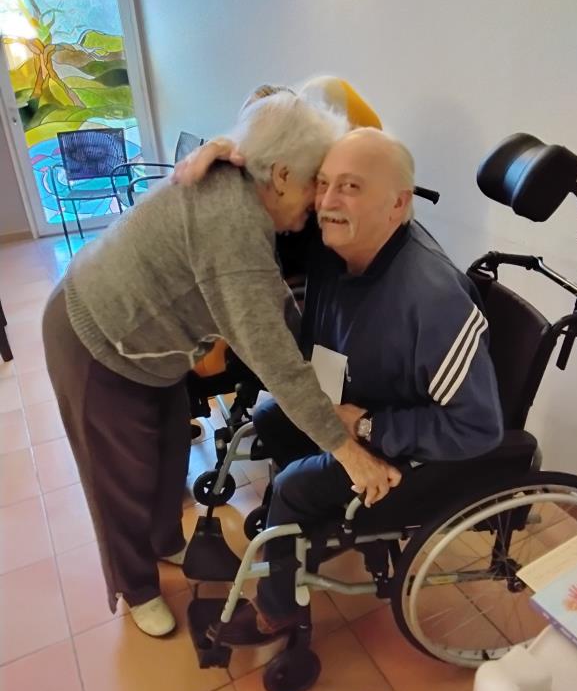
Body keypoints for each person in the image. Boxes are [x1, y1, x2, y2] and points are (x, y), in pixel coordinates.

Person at [42, 93, 401, 638]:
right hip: (95, 337)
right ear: (282, 175)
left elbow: (270, 105)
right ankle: (136, 587)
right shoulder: (231, 224)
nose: (320, 200)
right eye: (316, 183)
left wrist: (229, 141)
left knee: (168, 449)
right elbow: (272, 357)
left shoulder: (245, 179)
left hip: (150, 342)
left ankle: (163, 540)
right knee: (119, 478)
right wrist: (348, 452)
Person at [176, 126, 504, 646]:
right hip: (347, 398)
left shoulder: (432, 300)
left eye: (350, 187)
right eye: (323, 183)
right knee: (271, 418)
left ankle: (277, 610)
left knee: (294, 486)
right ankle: (306, 531)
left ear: (398, 204)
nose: (327, 201)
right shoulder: (332, 242)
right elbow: (265, 197)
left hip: (401, 440)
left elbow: (479, 428)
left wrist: (368, 425)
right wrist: (226, 155)